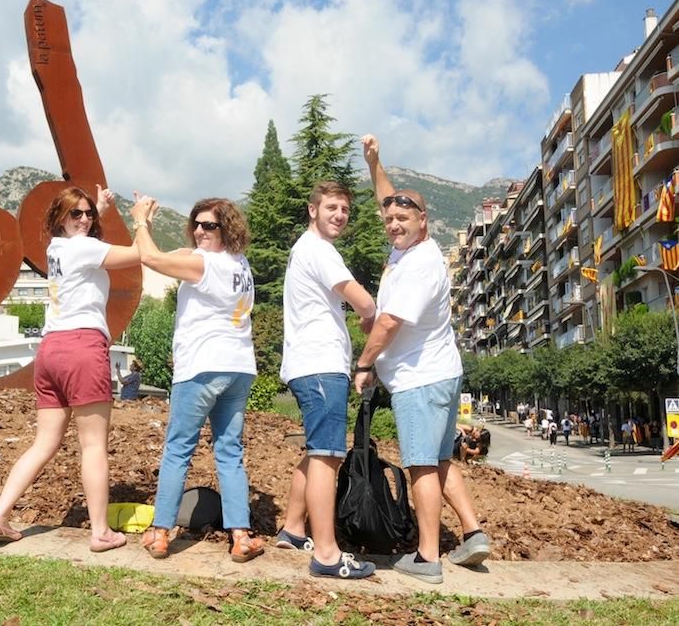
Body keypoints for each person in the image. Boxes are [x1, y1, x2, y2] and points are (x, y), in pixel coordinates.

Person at [352, 135, 490, 585]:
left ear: (423, 220)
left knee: (421, 465)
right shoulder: (408, 246)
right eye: (389, 218)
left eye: (402, 217)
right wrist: (375, 163)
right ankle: (472, 533)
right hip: (440, 374)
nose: (392, 223)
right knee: (440, 459)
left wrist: (365, 363)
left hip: (419, 380)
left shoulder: (420, 264)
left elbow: (389, 323)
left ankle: (427, 557)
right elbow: (385, 198)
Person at [0, 185, 140, 553]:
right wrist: (142, 222)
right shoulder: (84, 248)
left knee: (44, 443)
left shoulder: (55, 247)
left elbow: (84, 240)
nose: (85, 219)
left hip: (50, 349)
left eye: (88, 214)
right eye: (76, 214)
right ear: (60, 217)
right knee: (93, 445)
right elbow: (137, 254)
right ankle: (101, 532)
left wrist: (97, 209)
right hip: (82, 346)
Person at [131, 194, 264, 563]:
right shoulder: (240, 263)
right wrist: (150, 230)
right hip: (239, 367)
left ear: (226, 229)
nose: (200, 231)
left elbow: (152, 259)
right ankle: (241, 536)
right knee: (230, 452)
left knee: (178, 449)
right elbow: (161, 254)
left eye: (210, 225)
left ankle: (160, 533)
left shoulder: (203, 262)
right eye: (197, 224)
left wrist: (141, 220)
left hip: (202, 366)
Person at [276, 180, 378, 581]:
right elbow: (364, 299)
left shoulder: (306, 249)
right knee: (326, 456)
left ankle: (293, 528)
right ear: (313, 209)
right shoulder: (319, 250)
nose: (339, 215)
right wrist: (369, 315)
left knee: (320, 452)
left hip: (310, 364)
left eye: (345, 210)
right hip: (320, 365)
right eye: (332, 207)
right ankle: (328, 554)